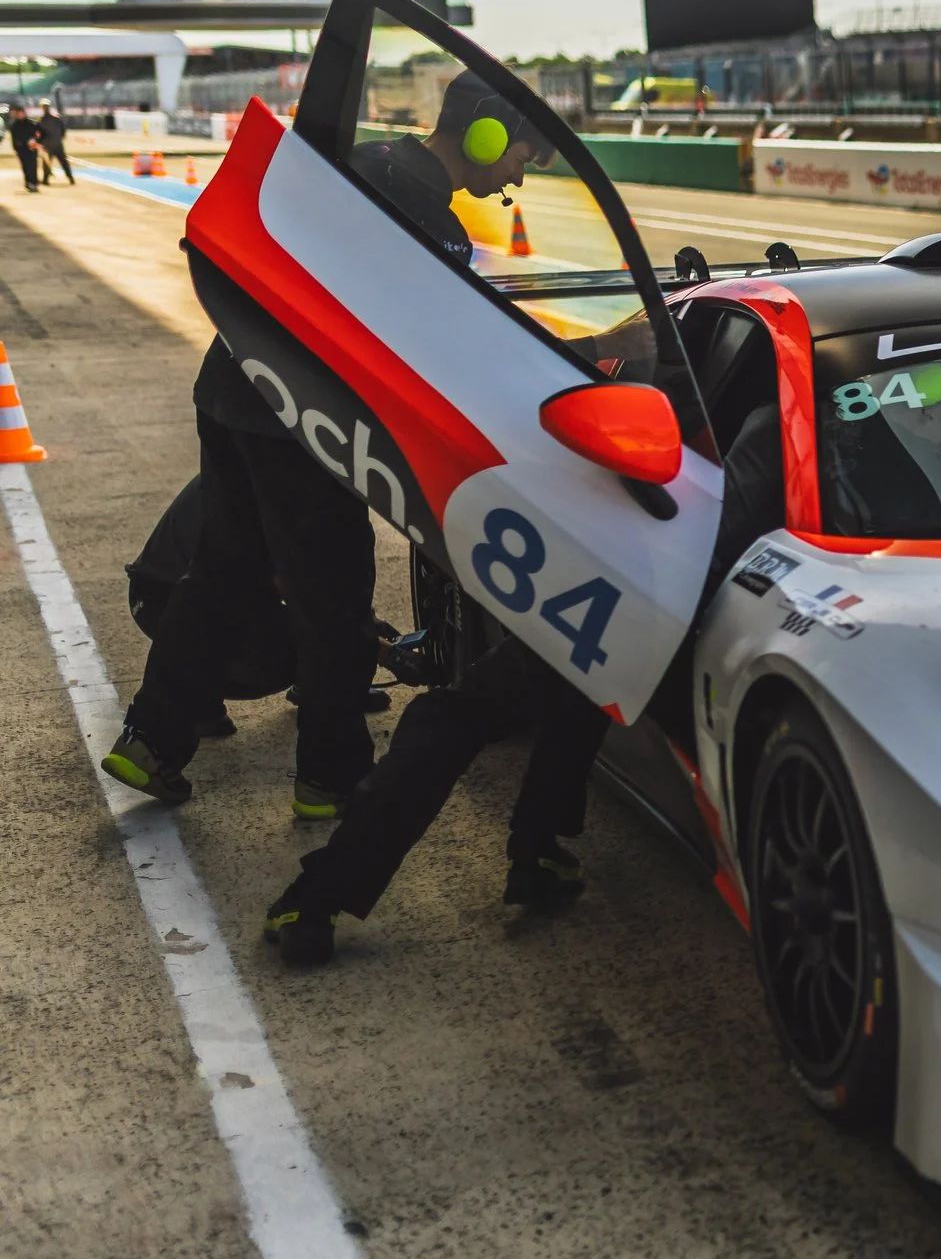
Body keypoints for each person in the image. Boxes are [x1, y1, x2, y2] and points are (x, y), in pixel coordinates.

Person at [103, 71, 545, 816]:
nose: (516, 179)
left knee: (221, 571)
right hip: (299, 417)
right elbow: (439, 351)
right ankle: (330, 777)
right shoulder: (429, 222)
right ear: (485, 135)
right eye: (520, 159)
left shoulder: (357, 161)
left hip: (231, 384)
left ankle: (149, 741)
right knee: (334, 597)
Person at [261, 376, 792, 966]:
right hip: (723, 639)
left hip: (675, 614)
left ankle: (318, 898)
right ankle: (538, 850)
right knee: (583, 673)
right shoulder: (821, 409)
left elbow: (710, 538)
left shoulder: (780, 416)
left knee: (455, 715)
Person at [35, 101, 71, 185]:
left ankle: (45, 180)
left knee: (47, 162)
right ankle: (70, 177)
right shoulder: (57, 119)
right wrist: (58, 139)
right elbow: (63, 131)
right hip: (58, 144)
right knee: (63, 162)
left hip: (48, 144)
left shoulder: (41, 120)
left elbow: (38, 134)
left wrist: (40, 142)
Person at [8, 105, 40, 193]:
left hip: (31, 149)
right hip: (21, 149)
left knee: (32, 166)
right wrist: (15, 148)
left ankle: (34, 183)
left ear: (24, 113)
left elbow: (38, 134)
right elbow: (14, 138)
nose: (18, 115)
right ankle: (28, 183)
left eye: (20, 113)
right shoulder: (14, 125)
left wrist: (35, 141)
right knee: (25, 167)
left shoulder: (31, 123)